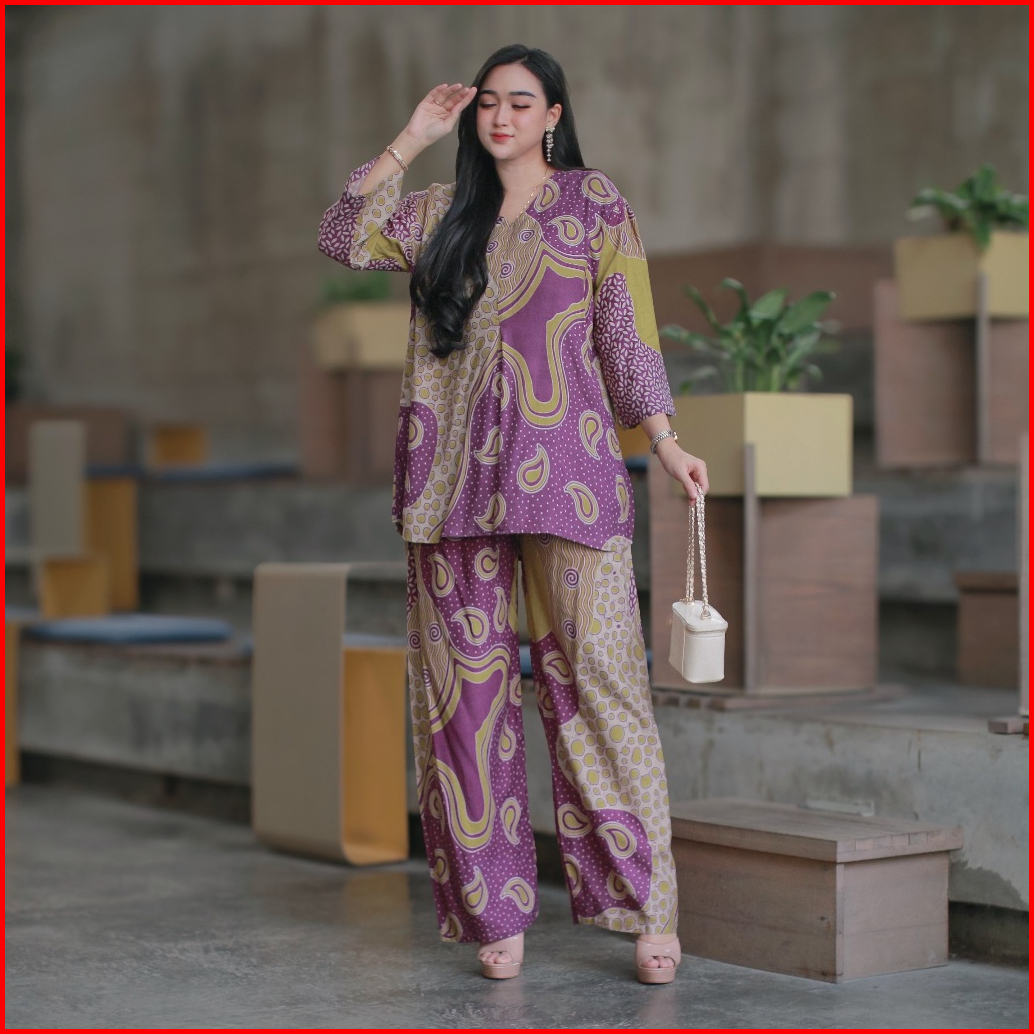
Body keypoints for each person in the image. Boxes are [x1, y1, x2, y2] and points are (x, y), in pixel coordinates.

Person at [318, 44, 708, 985]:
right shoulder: (437, 214)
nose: (500, 117)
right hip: (449, 486)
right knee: (464, 702)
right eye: (487, 103)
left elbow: (626, 329)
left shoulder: (593, 202)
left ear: (553, 115)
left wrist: (664, 440)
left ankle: (647, 908)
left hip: (569, 476)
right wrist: (413, 135)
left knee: (604, 687)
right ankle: (495, 911)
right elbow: (340, 234)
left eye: (520, 102)